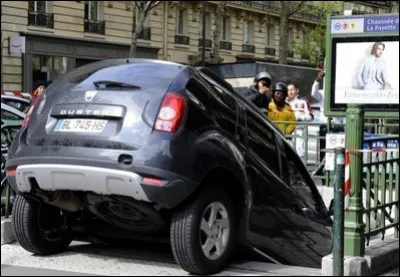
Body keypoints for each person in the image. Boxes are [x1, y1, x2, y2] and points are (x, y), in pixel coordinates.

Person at [286, 82, 314, 160]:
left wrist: (301, 117)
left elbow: (311, 116)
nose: (290, 92)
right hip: (285, 131)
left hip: (299, 131)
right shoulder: (283, 103)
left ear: (297, 90)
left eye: (292, 89)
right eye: (288, 90)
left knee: (299, 151)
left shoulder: (303, 102)